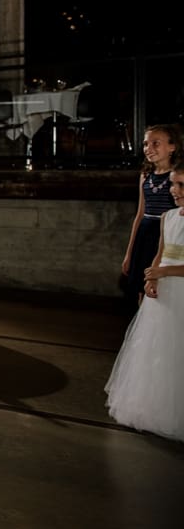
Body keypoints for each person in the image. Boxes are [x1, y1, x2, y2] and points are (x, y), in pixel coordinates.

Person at [105, 161, 184, 443]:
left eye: (181, 186)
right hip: (162, 285)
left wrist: (165, 272)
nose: (175, 190)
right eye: (174, 185)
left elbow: (169, 264)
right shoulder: (169, 217)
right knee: (157, 348)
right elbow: (159, 253)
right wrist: (151, 278)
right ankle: (155, 406)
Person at [122, 123, 181, 307]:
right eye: (146, 144)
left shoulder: (178, 176)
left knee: (162, 287)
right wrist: (129, 252)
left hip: (168, 236)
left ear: (173, 147)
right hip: (145, 233)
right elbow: (140, 214)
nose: (149, 148)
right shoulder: (145, 175)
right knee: (140, 286)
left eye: (156, 143)